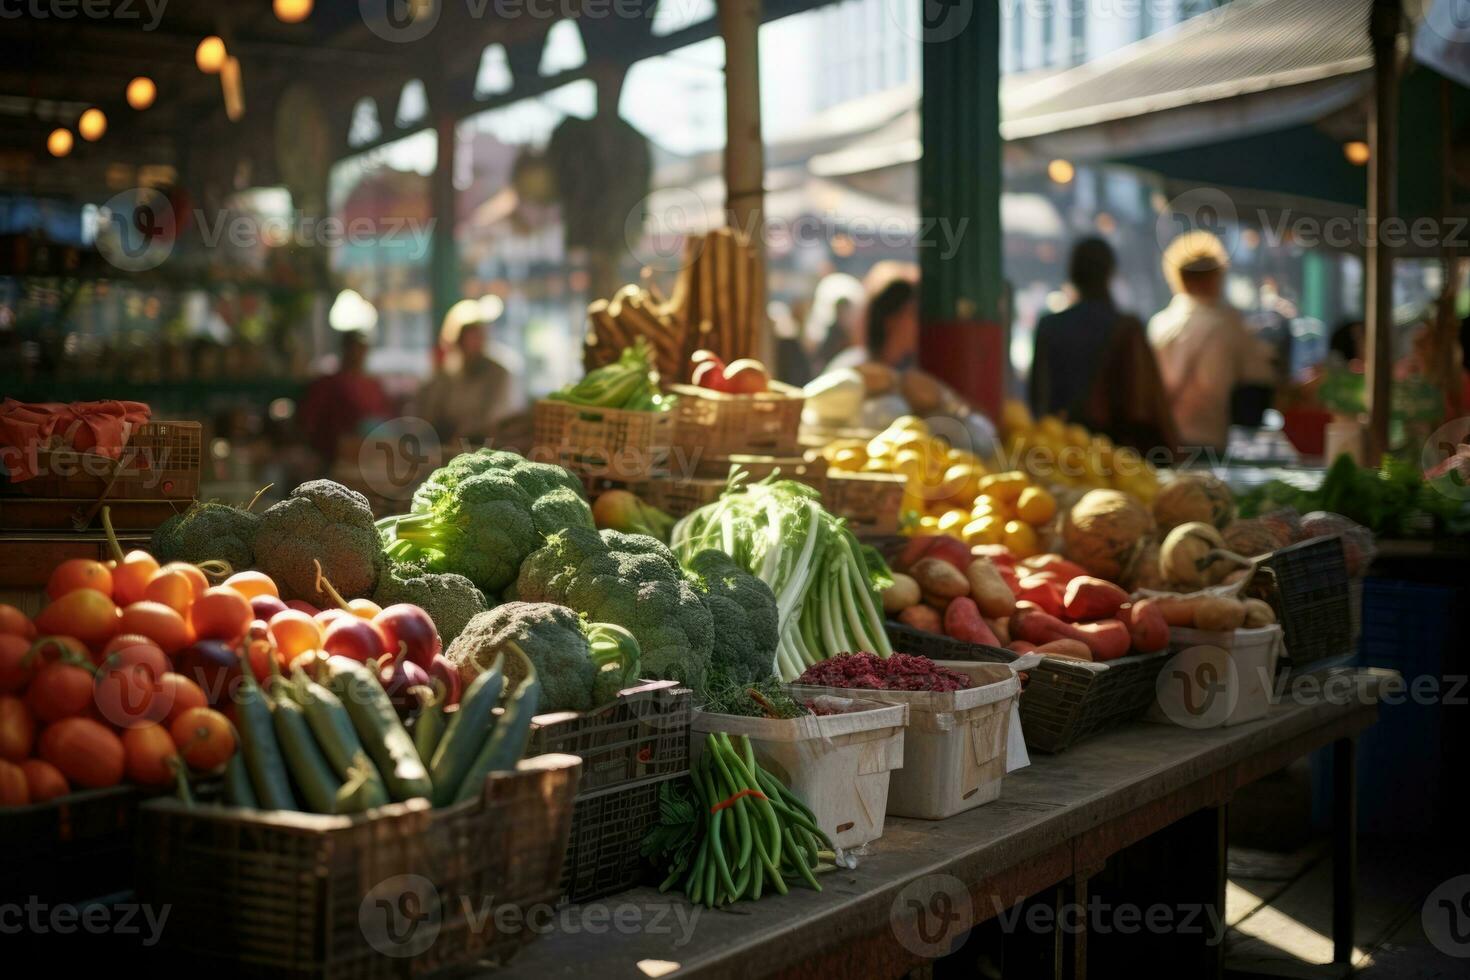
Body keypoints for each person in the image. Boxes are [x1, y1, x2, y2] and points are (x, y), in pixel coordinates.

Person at [1030, 238, 1178, 453]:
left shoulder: (1049, 326)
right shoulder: (1127, 328)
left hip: (1061, 451)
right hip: (1119, 455)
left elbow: (1038, 402)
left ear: (1072, 274)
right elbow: (1142, 403)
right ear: (1110, 273)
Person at [1149, 231, 1273, 454]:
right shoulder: (1229, 325)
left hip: (1161, 442)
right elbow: (1260, 377)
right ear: (1216, 276)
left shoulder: (1159, 326)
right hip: (1209, 444)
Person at [412, 300, 522, 450]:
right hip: (449, 447)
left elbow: (495, 418)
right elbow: (427, 414)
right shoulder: (446, 375)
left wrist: (466, 436)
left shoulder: (498, 374)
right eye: (466, 337)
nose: (471, 343)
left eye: (476, 336)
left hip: (488, 448)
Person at [296, 330, 392, 470]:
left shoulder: (374, 386)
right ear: (345, 349)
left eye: (361, 348)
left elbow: (387, 421)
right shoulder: (327, 384)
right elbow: (308, 423)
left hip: (375, 462)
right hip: (335, 461)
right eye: (353, 348)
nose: (357, 353)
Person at [804, 273, 865, 371]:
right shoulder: (826, 334)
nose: (841, 312)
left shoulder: (857, 351)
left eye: (844, 308)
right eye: (839, 308)